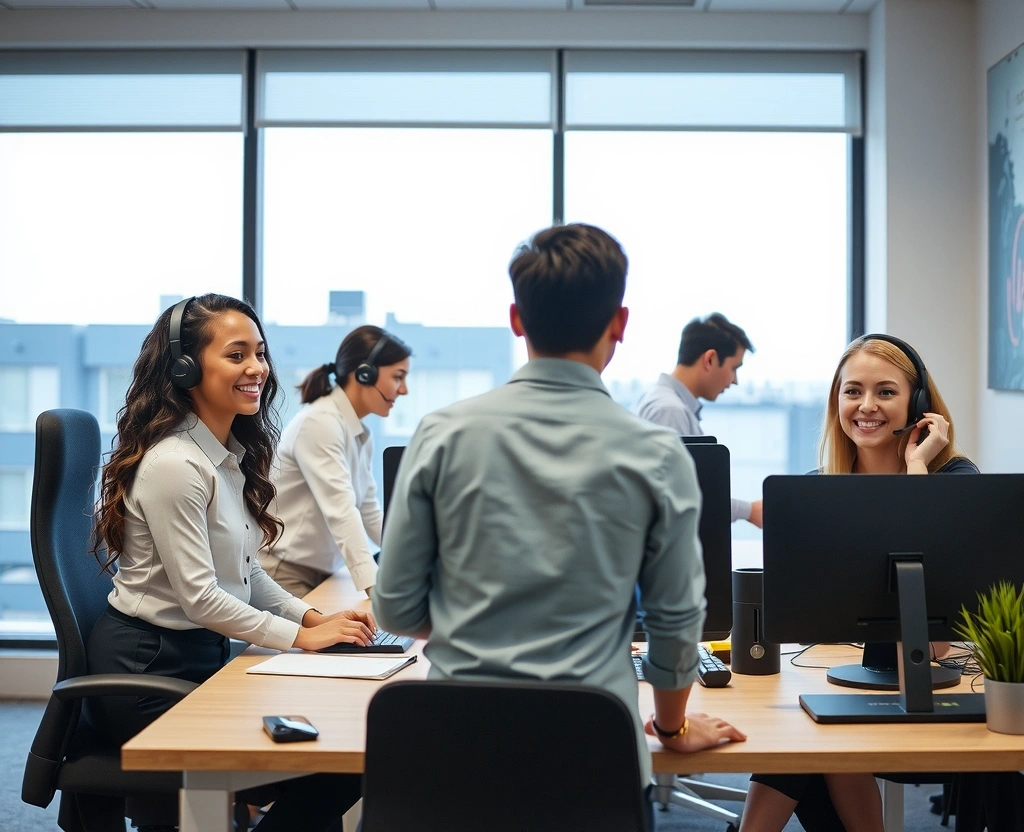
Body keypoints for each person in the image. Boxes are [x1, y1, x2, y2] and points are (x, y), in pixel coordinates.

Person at [372, 223, 746, 825]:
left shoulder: (441, 435)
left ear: (517, 319)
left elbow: (394, 608)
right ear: (619, 323)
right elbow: (677, 623)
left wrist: (483, 625)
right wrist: (672, 728)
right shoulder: (656, 455)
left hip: (449, 760)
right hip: (594, 760)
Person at [85, 294, 373, 832]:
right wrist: (300, 638)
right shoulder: (175, 465)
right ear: (185, 368)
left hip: (199, 661)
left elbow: (247, 574)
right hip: (147, 676)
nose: (257, 368)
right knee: (333, 768)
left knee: (341, 755)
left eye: (259, 353)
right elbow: (201, 598)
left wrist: (315, 619)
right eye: (237, 355)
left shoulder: (225, 458)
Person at [740, 333, 978, 832]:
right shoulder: (819, 489)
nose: (866, 405)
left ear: (918, 405)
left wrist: (916, 469)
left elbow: (935, 642)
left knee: (812, 735)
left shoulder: (955, 481)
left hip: (928, 691)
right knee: (812, 732)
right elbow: (800, 617)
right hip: (840, 681)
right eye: (853, 391)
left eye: (886, 392)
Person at [259, 325, 411, 598]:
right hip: (284, 572)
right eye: (398, 377)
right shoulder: (320, 423)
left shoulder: (357, 432)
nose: (404, 390)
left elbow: (368, 510)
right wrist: (376, 589)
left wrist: (414, 559)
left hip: (321, 573)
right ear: (364, 374)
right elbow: (341, 510)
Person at [633, 313, 763, 528]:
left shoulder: (666, 404)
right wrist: (748, 511)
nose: (735, 381)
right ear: (710, 359)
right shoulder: (669, 411)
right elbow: (678, 496)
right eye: (734, 368)